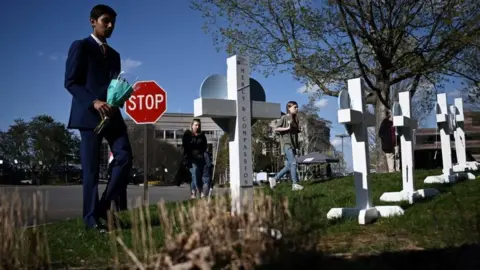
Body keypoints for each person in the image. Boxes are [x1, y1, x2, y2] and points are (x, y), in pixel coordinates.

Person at [64, 4, 132, 233]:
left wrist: (119, 101)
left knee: (125, 157)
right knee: (91, 170)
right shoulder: (81, 46)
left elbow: (116, 86)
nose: (110, 26)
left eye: (113, 22)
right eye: (106, 21)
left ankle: (103, 208)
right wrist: (93, 102)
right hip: (88, 116)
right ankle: (90, 219)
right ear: (93, 21)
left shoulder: (115, 56)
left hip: (112, 116)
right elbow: (71, 82)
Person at [270, 101, 304, 191]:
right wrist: (287, 128)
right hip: (286, 144)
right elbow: (276, 128)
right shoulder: (284, 117)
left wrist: (299, 130)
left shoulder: (295, 119)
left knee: (289, 166)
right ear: (289, 108)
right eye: (295, 107)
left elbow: (293, 132)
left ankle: (274, 179)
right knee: (293, 162)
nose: (297, 109)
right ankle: (295, 184)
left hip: (293, 144)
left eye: (297, 107)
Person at [182, 119, 208, 199]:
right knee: (194, 173)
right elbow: (186, 146)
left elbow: (205, 146)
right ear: (192, 126)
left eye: (199, 125)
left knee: (198, 175)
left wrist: (201, 153)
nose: (197, 126)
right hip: (191, 158)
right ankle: (196, 192)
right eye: (196, 125)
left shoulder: (202, 136)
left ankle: (195, 192)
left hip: (200, 158)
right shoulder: (187, 135)